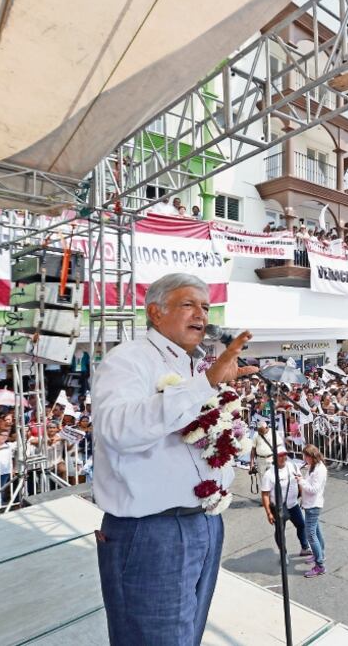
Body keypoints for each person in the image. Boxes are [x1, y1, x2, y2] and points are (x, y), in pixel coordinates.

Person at [91, 273, 257, 645]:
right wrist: (206, 384)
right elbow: (118, 430)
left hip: (204, 522)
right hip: (151, 532)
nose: (201, 313)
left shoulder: (190, 366)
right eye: (189, 304)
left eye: (205, 306)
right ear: (155, 312)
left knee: (186, 637)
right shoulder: (128, 360)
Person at [261, 447, 311, 559]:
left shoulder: (293, 466)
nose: (283, 457)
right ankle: (283, 554)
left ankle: (305, 547)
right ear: (275, 457)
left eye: (284, 454)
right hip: (278, 508)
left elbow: (299, 481)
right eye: (280, 455)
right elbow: (265, 494)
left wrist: (303, 497)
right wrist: (269, 513)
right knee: (280, 532)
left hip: (293, 505)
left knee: (301, 525)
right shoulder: (269, 474)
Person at [297, 444, 328, 578]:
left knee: (310, 535)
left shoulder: (319, 470)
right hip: (311, 504)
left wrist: (301, 481)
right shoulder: (314, 466)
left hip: (313, 506)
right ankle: (319, 554)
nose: (304, 458)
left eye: (305, 456)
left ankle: (319, 565)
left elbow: (313, 489)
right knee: (316, 531)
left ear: (311, 456)